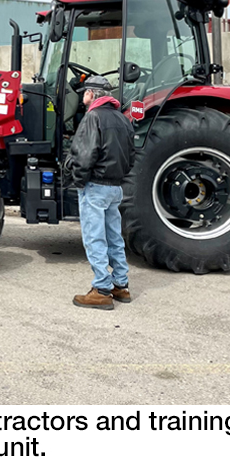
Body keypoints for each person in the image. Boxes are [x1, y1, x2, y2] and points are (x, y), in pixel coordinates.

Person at [67, 75, 136, 310]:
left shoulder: (92, 117)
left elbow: (84, 155)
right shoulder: (123, 119)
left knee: (94, 238)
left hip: (94, 187)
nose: (83, 95)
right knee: (114, 237)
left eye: (85, 91)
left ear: (92, 94)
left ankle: (101, 290)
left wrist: (78, 180)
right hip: (115, 187)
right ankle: (121, 285)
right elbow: (132, 156)